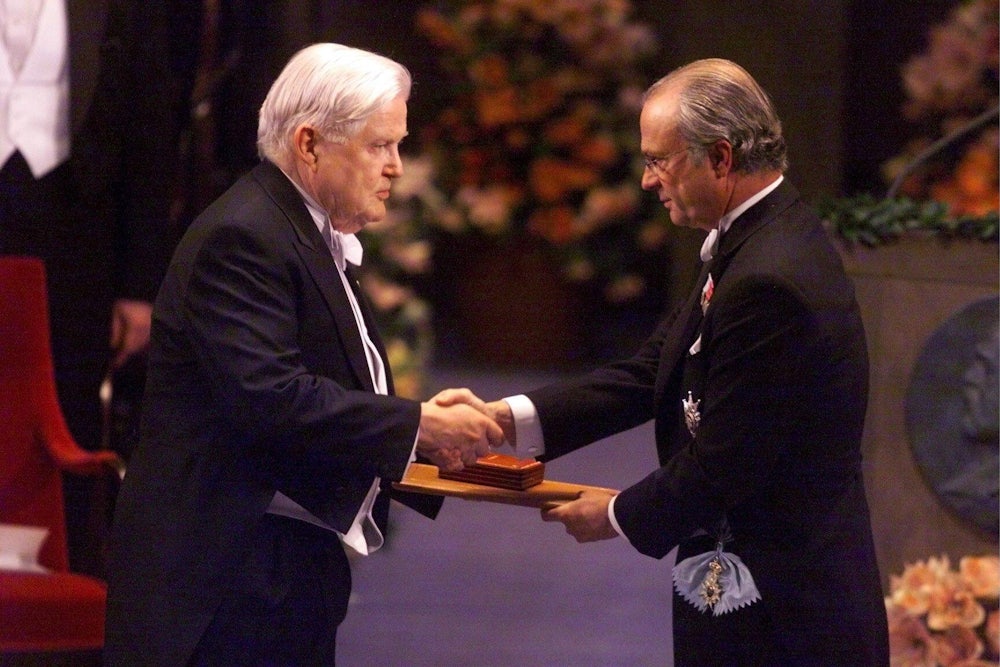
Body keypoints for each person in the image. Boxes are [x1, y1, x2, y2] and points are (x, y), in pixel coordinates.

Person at [478, 59, 889, 665]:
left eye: (659, 159)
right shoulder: (755, 237)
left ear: (720, 159)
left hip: (785, 616)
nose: (647, 181)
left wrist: (619, 515)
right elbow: (654, 371)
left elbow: (727, 461)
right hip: (760, 591)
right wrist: (505, 419)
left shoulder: (769, 277)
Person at [103, 43, 503, 666]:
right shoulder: (244, 236)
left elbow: (319, 379)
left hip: (275, 570)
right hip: (221, 581)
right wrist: (417, 426)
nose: (396, 166)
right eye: (380, 146)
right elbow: (271, 398)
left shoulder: (302, 228)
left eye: (397, 145)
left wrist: (416, 421)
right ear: (310, 144)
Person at [0, 0, 182, 576]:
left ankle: (58, 590)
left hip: (73, 229)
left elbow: (150, 134)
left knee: (64, 409)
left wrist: (138, 285)